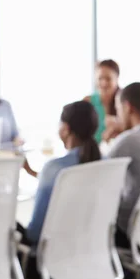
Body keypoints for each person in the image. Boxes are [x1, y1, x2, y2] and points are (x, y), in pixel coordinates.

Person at [25, 100, 102, 246]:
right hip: (92, 249)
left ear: (65, 129)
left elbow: (35, 233)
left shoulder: (54, 168)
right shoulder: (106, 163)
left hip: (50, 258)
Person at [106, 82, 140, 249]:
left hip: (127, 227)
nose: (118, 114)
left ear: (128, 107)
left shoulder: (128, 140)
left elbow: (98, 173)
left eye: (118, 108)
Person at [84, 59, 122, 143]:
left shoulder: (124, 103)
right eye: (100, 78)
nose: (104, 83)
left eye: (108, 79)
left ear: (117, 78)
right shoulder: (88, 102)